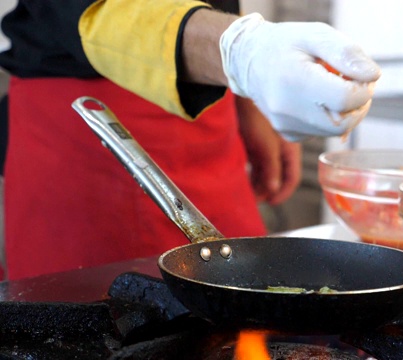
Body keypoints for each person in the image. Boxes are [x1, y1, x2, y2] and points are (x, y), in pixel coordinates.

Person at [0, 0, 380, 280]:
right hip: (87, 127)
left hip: (210, 102)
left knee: (247, 301)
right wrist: (238, 54)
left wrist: (247, 97)